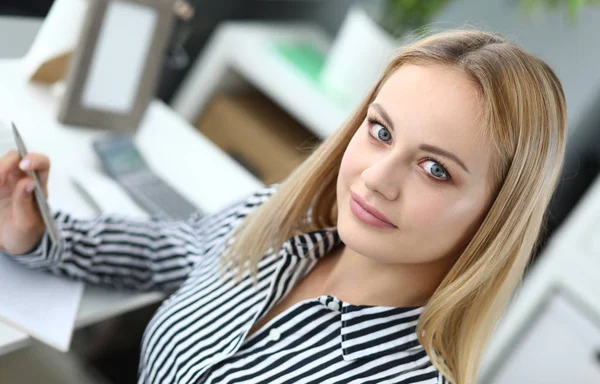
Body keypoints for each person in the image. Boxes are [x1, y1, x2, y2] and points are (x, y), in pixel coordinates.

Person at [0, 28, 567, 384]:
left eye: (436, 169)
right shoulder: (283, 224)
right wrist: (40, 233)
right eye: (381, 132)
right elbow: (176, 249)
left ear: (495, 215)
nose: (377, 178)